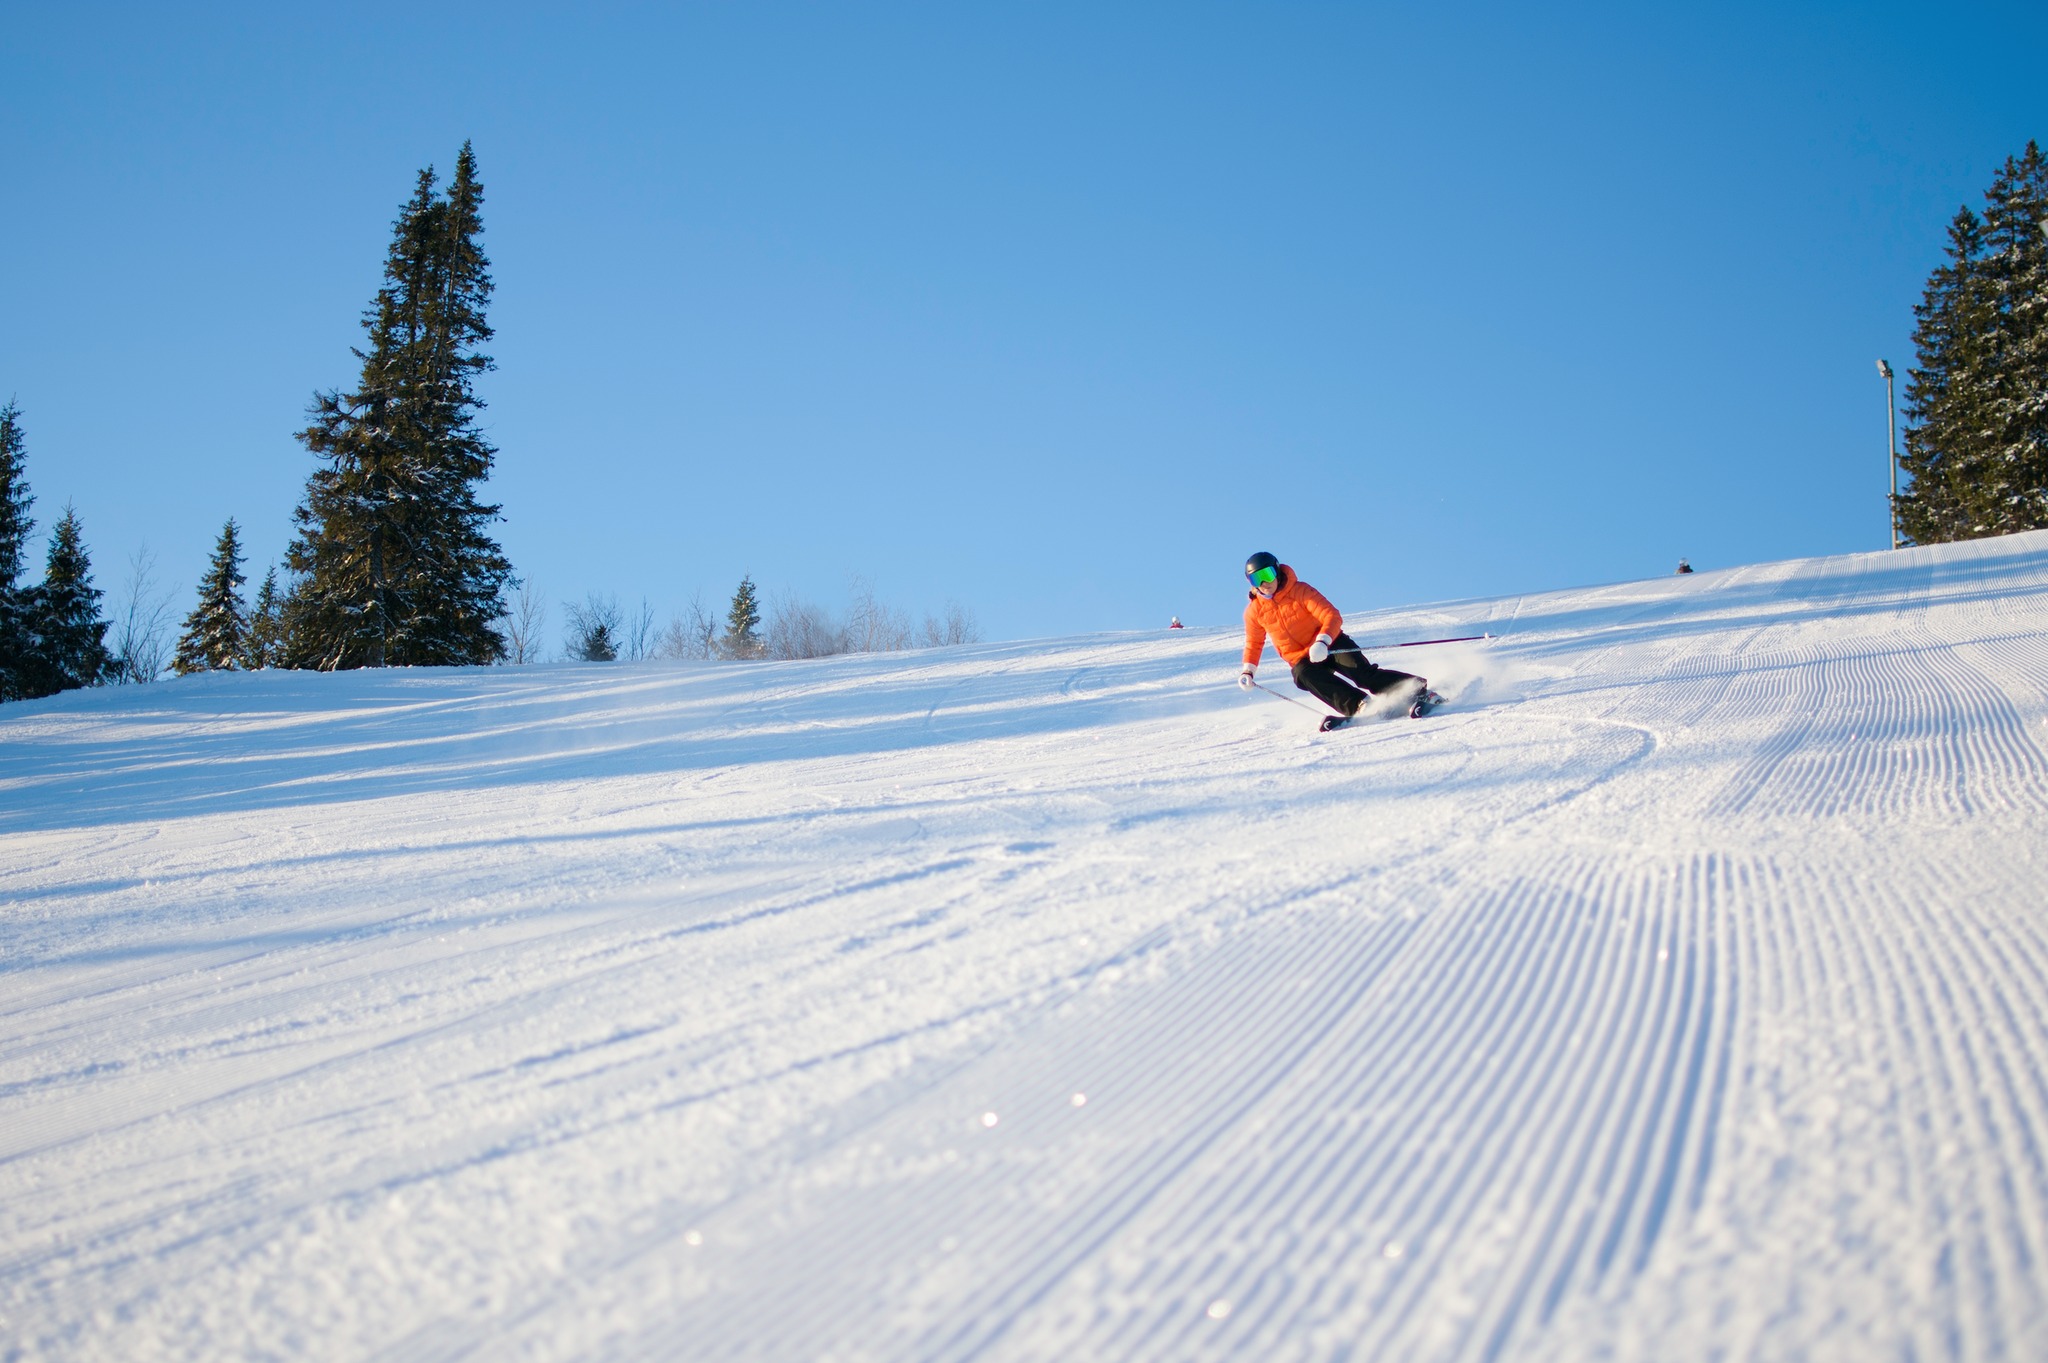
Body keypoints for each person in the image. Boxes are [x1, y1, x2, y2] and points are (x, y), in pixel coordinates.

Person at [1236, 551, 1437, 725]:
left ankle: (1416, 690)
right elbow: (1254, 642)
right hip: (1302, 658)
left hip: (1331, 643)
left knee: (1363, 675)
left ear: (1277, 571)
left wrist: (1323, 641)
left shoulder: (1300, 591)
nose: (1264, 583)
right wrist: (1248, 671)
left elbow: (1331, 615)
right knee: (1302, 675)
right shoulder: (1254, 612)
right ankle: (1360, 705)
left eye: (1268, 575)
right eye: (1256, 579)